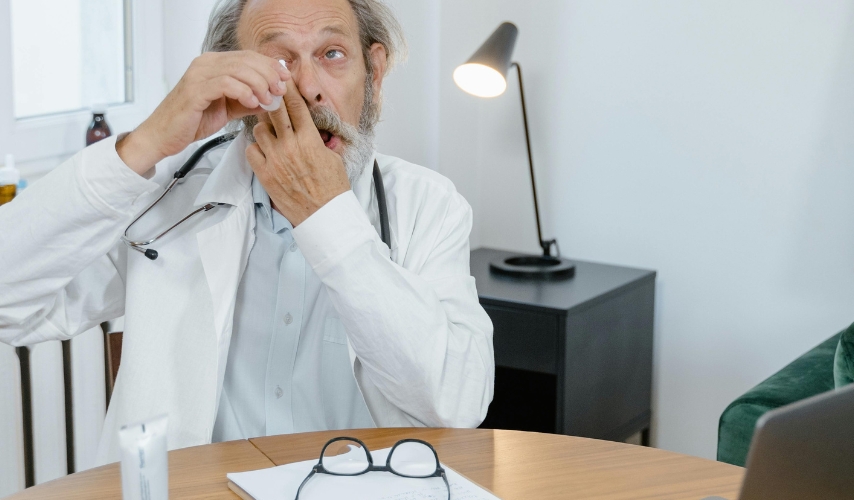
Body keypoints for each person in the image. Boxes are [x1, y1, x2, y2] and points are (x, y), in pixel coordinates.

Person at [0, 0, 494, 465]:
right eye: (277, 63)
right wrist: (146, 142)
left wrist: (326, 215)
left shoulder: (430, 207)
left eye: (333, 54)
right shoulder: (167, 196)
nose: (309, 88)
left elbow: (456, 403)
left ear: (376, 73)